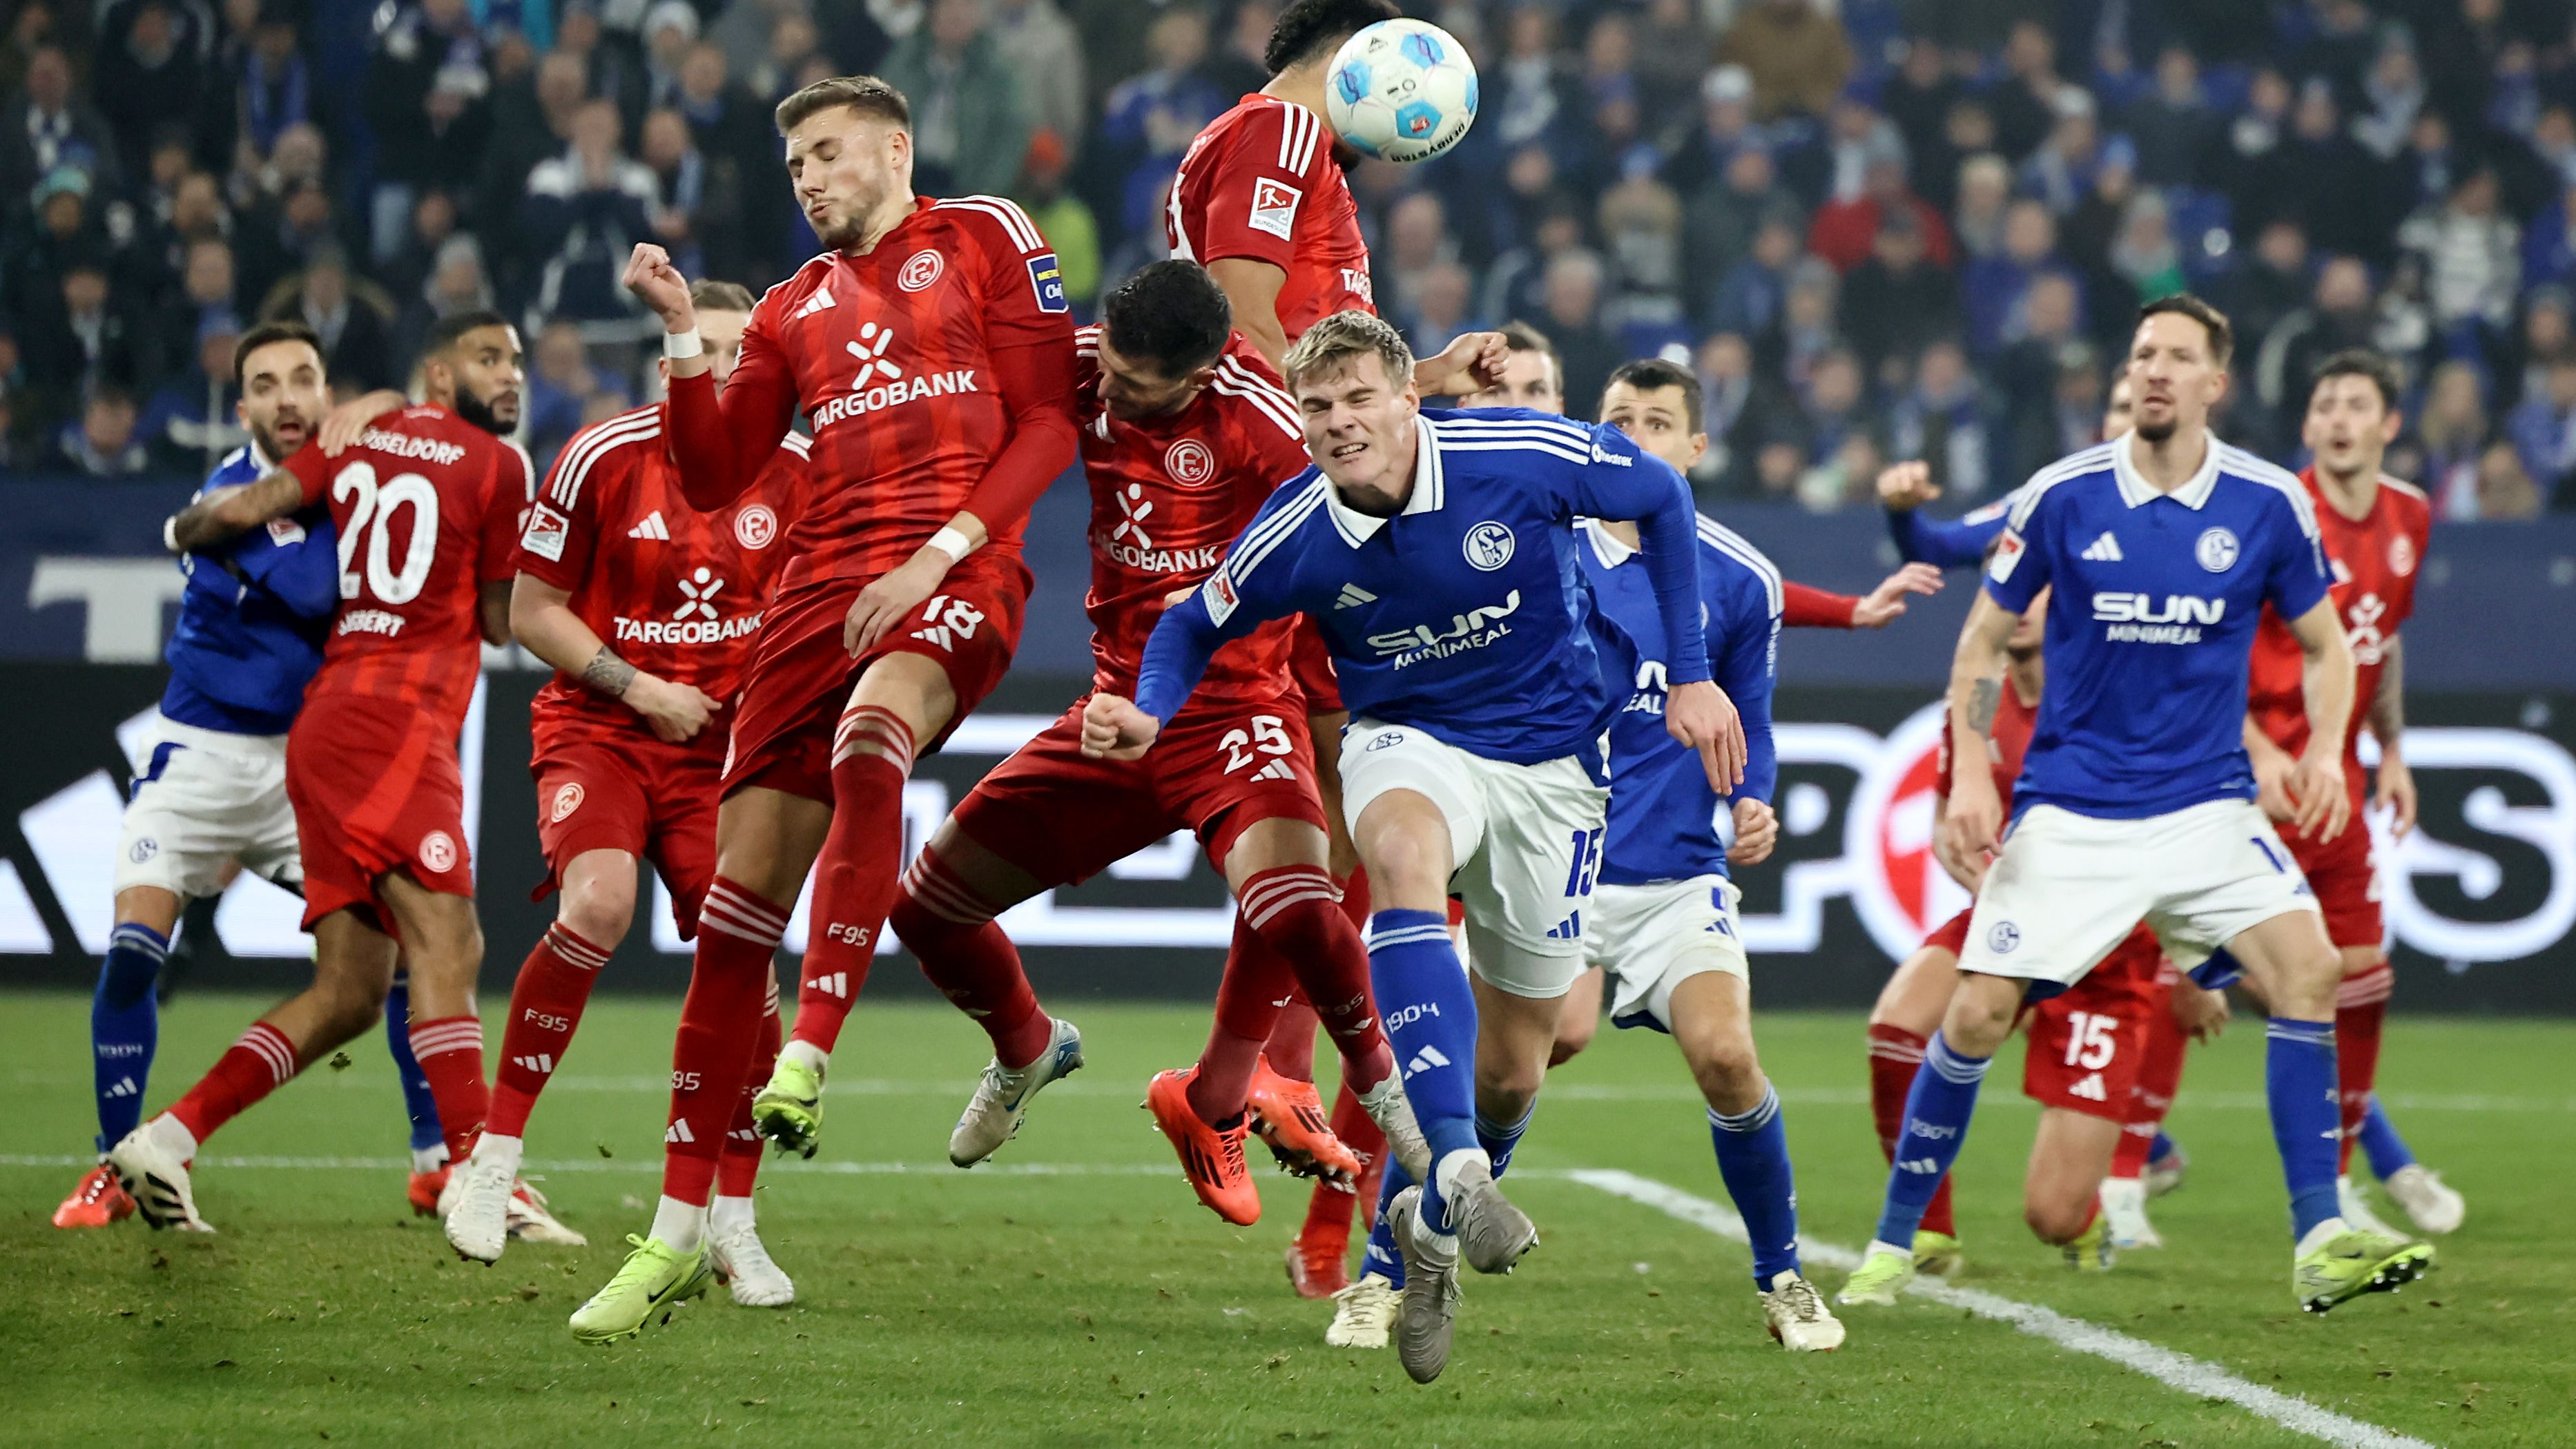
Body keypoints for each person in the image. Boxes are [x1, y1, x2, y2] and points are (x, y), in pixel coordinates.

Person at [1083, 310, 1744, 1383]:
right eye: (1317, 406)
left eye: (1357, 398)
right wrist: (1152, 711)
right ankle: (1461, 1171)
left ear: (1406, 397)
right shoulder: (1292, 531)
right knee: (1395, 854)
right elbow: (1187, 624)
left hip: (1554, 767)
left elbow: (1659, 496)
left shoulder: (1515, 454)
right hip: (1410, 739)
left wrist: (1691, 667)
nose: (1339, 422)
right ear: (1298, 422)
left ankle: (1430, 1227)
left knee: (1518, 1063)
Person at [596, 74, 1081, 1331]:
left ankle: (809, 1047)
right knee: (730, 918)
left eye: (826, 153)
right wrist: (679, 334)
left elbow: (1045, 427)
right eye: (794, 164)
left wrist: (939, 553)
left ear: (895, 148)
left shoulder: (985, 233)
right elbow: (713, 472)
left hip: (957, 565)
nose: (807, 178)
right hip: (816, 596)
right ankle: (668, 1231)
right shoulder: (786, 306)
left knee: (877, 736)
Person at [1835, 295, 2432, 1316]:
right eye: (2141, 353)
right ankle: (1894, 1241)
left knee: (2311, 968)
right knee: (1975, 1010)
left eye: (2176, 357)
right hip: (2073, 810)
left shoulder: (2263, 502)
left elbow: (2331, 645)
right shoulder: (2063, 494)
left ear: (2214, 383)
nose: (2153, 369)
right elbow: (1981, 641)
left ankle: (2318, 1233)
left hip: (2206, 807)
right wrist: (1974, 772)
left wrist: (2332, 751)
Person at [886, 260, 1429, 1225]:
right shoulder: (1082, 372)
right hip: (1112, 715)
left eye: (1143, 385)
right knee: (927, 909)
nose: (1118, 393)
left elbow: (1346, 528)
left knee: (1303, 902)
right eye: (1116, 370)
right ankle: (1025, 1044)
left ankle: (1385, 1096)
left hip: (1235, 709)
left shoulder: (1261, 427)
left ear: (1206, 366)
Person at [1341, 356, 1844, 1352]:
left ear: (1694, 449)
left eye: (1658, 422)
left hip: (1672, 878)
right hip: (1553, 862)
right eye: (1618, 418)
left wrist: (1750, 799)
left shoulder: (1739, 578)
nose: (1636, 436)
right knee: (1508, 1079)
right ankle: (1389, 1269)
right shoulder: (1541, 548)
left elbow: (1753, 719)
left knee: (1728, 1054)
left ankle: (1783, 1275)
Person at [1161, 0, 1512, 1230]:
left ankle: (1236, 1080)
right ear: (1363, 55)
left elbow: (1300, 347)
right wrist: (1358, 469)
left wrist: (1415, 385)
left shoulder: (1307, 162)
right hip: (1298, 508)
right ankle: (1260, 1075)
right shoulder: (1275, 138)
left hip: (1308, 493)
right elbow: (1244, 322)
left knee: (1335, 827)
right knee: (1337, 809)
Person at [113, 313, 544, 1245]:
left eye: (514, 359)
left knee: (353, 989)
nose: (510, 375)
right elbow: (505, 622)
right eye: (488, 358)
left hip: (325, 726)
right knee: (450, 937)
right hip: (397, 725)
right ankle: (477, 1171)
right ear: (441, 371)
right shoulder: (501, 466)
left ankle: (168, 1137)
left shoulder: (362, 435)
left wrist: (185, 527)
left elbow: (235, 510)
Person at [440, 281, 806, 1312]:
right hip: (602, 727)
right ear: (671, 367)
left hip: (723, 755)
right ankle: (493, 1159)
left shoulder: (807, 477)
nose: (729, 373)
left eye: (749, 356)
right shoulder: (603, 455)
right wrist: (643, 687)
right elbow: (528, 611)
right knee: (596, 905)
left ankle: (732, 1220)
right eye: (711, 353)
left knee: (745, 960)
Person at [52, 322, 449, 1231]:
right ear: (243, 409)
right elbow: (318, 592)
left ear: (325, 392)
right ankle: (115, 1166)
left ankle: (435, 1159)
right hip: (198, 758)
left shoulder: (353, 480)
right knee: (130, 956)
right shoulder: (237, 493)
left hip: (298, 771)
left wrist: (386, 412)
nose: (285, 398)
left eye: (302, 379)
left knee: (400, 949)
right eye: (265, 384)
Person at [1862, 578, 2233, 1275]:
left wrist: (2195, 963)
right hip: (2008, 924)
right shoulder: (1975, 700)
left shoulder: (2113, 701)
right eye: (2014, 592)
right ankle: (1927, 1230)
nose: (2024, 607)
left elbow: (2172, 838)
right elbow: (1947, 822)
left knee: (2051, 1214)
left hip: (2107, 958)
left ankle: (2087, 1224)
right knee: (1896, 1025)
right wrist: (1982, 880)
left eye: (2042, 593)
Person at [2239, 349, 2465, 1238]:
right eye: (2323, 403)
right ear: (2306, 425)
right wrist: (2254, 748)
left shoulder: (2410, 513)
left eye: (2355, 403)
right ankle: (2129, 1176)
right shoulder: (2275, 511)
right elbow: (2215, 642)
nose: (2336, 417)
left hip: (2335, 779)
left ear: (2387, 424)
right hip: (2246, 778)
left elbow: (2381, 638)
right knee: (2234, 980)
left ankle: (2333, 1189)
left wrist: (2393, 751)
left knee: (2361, 976)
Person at [1877, 376, 2134, 568]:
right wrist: (1901, 511)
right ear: (2105, 423)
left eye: (2150, 406)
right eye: (2123, 408)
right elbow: (1932, 550)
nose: (2136, 421)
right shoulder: (2052, 499)